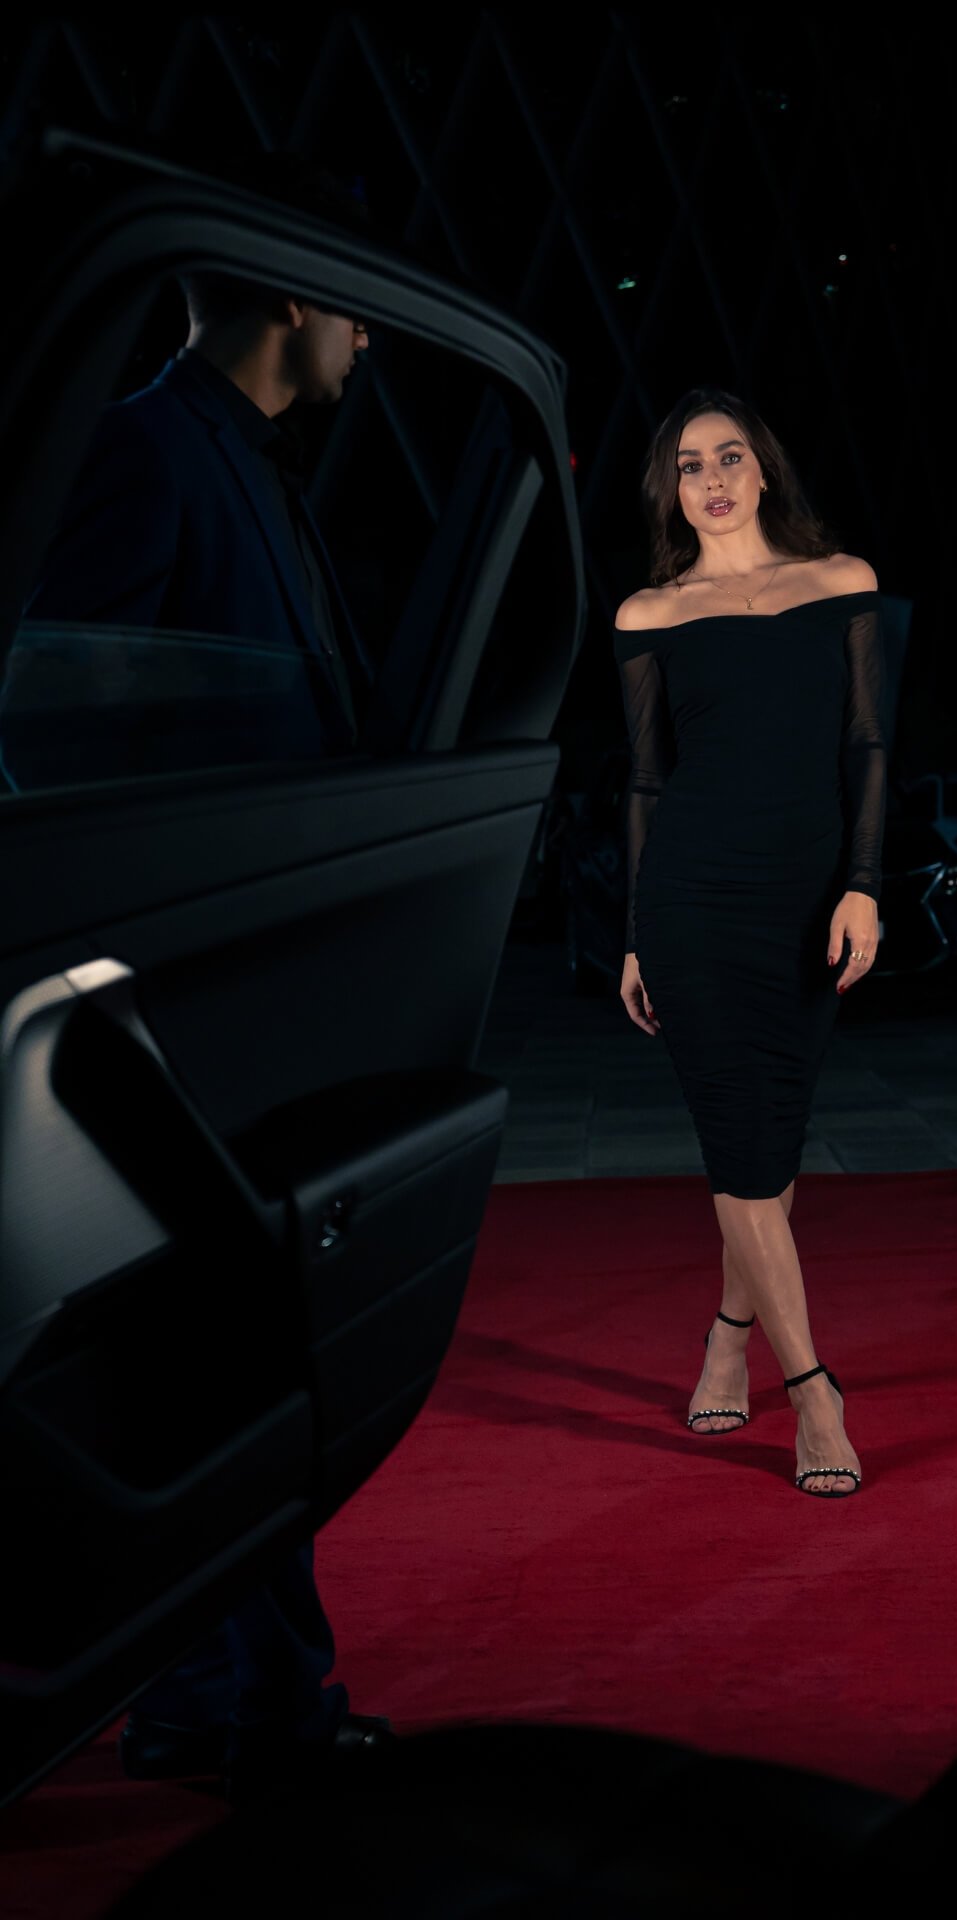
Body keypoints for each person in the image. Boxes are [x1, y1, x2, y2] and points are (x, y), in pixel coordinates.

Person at [23, 154, 393, 1798]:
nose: (371, 345)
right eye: (358, 313)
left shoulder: (250, 463)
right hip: (171, 1001)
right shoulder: (150, 453)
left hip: (256, 987)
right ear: (296, 300)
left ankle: (244, 1704)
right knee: (208, 1366)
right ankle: (220, 1708)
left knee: (250, 1359)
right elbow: (59, 727)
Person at [613, 387, 889, 1500]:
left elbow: (868, 745)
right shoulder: (649, 614)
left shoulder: (842, 586)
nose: (713, 480)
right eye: (688, 466)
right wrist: (634, 934)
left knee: (770, 1147)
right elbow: (642, 781)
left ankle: (728, 1335)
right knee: (739, 1142)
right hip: (690, 901)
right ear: (671, 490)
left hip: (807, 896)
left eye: (729, 457)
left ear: (764, 469)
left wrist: (863, 886)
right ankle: (813, 1391)